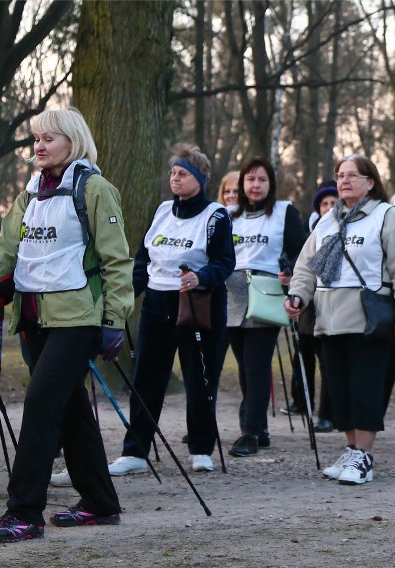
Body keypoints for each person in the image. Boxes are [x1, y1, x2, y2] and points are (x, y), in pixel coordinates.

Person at [0, 107, 132, 542]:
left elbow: (117, 261)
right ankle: (101, 503)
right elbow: (4, 249)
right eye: (36, 139)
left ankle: (24, 512)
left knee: (40, 403)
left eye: (49, 138)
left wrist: (113, 320)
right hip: (33, 319)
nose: (39, 146)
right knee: (69, 410)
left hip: (78, 319)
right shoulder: (30, 194)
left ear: (73, 140)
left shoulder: (95, 189)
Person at [285, 154, 395, 485]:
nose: (344, 180)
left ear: (371, 182)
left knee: (365, 388)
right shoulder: (327, 221)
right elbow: (306, 267)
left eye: (352, 175)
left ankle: (364, 456)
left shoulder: (385, 217)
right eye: (340, 175)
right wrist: (298, 296)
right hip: (328, 318)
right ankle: (351, 450)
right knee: (339, 390)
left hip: (368, 318)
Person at [108, 144, 234, 476]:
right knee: (146, 377)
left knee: (199, 378)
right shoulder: (162, 210)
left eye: (182, 173)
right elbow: (142, 259)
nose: (175, 179)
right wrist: (127, 296)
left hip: (196, 305)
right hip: (156, 304)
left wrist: (201, 276)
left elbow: (224, 262)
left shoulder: (215, 216)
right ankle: (135, 451)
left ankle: (202, 448)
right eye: (173, 173)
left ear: (200, 178)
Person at [225, 157, 305, 457]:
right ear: (242, 184)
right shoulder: (229, 214)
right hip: (232, 296)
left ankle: (249, 433)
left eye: (261, 180)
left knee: (256, 365)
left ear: (270, 184)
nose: (255, 185)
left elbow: (301, 252)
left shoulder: (284, 212)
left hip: (266, 293)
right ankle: (258, 426)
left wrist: (290, 274)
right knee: (245, 367)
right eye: (250, 180)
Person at [286, 180, 339, 433]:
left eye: (333, 202)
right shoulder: (312, 232)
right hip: (309, 307)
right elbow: (304, 267)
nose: (329, 207)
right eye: (324, 204)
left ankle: (328, 414)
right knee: (303, 356)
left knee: (329, 361)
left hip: (334, 304)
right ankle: (303, 402)